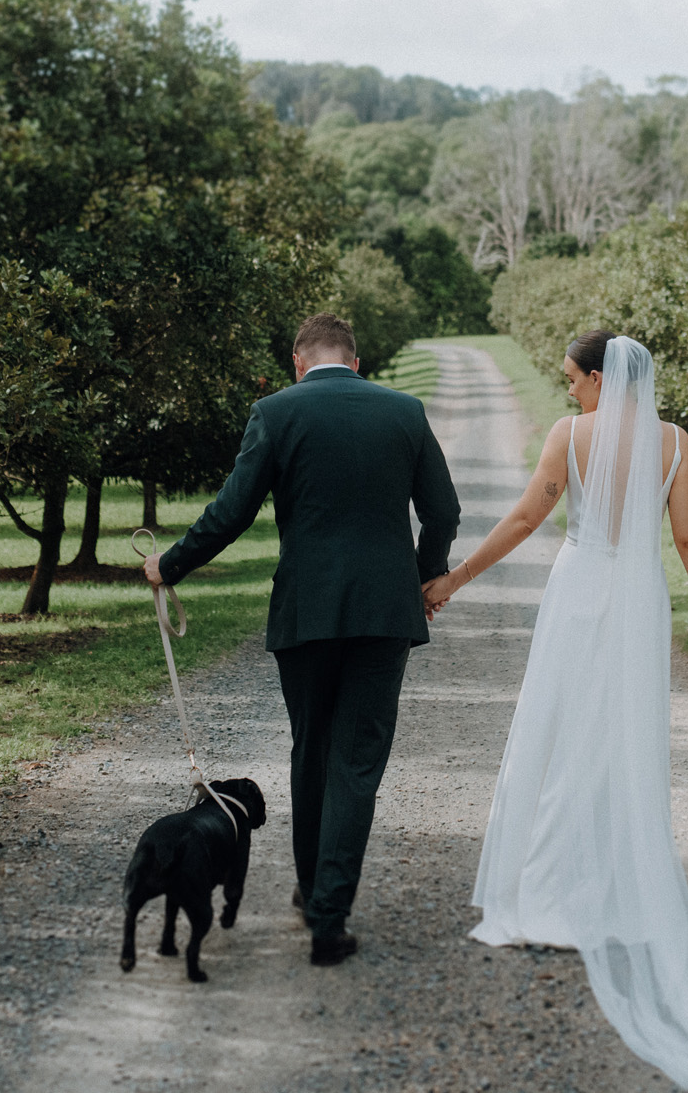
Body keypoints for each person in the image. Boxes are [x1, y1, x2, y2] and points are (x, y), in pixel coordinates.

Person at [421, 331, 688, 1093]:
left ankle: (551, 890)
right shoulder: (673, 441)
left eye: (572, 379)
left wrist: (452, 580)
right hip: (637, 600)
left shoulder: (571, 436)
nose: (568, 391)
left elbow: (528, 520)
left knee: (561, 732)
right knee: (626, 738)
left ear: (600, 377)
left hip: (578, 594)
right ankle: (619, 891)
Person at [145, 312, 459, 965]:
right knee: (357, 763)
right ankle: (328, 916)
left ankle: (314, 890)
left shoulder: (276, 412)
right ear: (357, 360)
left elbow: (232, 510)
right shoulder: (404, 410)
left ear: (297, 360)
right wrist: (430, 576)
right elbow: (443, 511)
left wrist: (167, 565)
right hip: (382, 616)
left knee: (312, 750)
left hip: (306, 613)